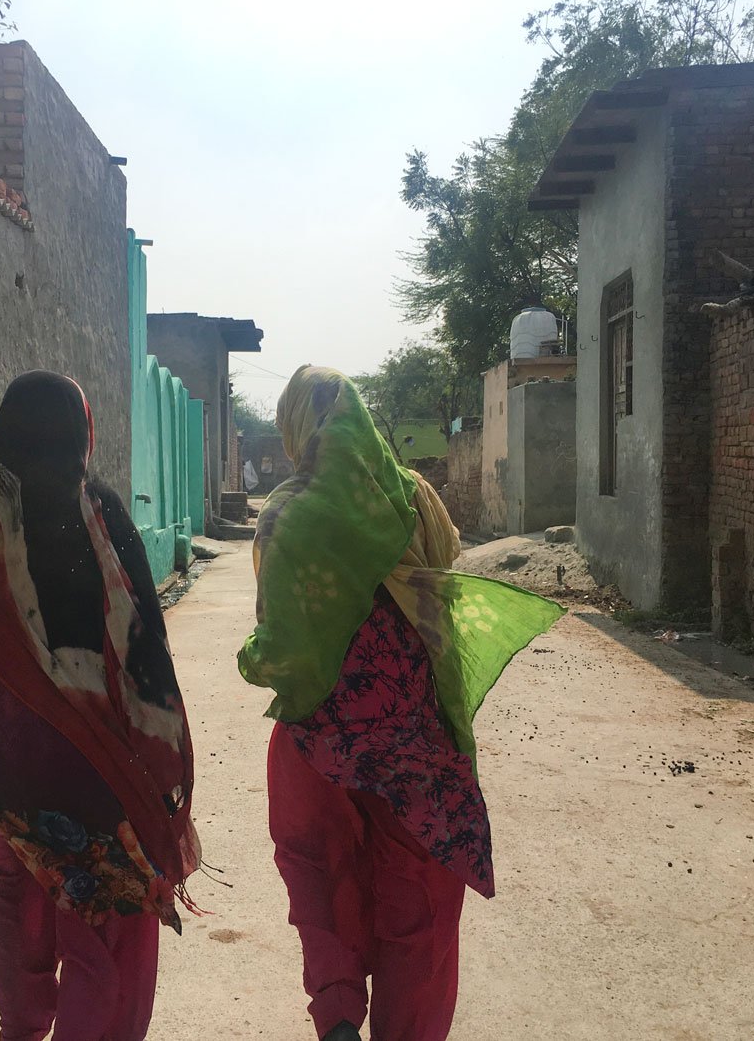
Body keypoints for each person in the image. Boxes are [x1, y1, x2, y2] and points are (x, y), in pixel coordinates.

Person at [238, 366, 562, 1041]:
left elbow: (278, 645)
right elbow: (442, 579)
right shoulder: (413, 497)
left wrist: (255, 659)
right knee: (418, 896)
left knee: (320, 877)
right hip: (411, 735)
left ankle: (336, 1012)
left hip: (316, 742)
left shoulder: (286, 515)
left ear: (296, 426)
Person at [0, 371, 201, 1041]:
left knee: (9, 894)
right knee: (103, 916)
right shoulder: (104, 511)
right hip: (91, 765)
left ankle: (22, 1025)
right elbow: (145, 650)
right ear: (80, 433)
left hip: (0, 764)